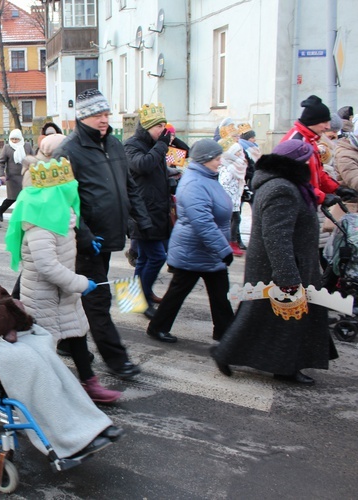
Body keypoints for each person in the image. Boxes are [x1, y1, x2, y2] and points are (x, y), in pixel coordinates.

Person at [0, 214, 121, 460]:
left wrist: (9, 312)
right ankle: (67, 439)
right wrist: (10, 312)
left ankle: (89, 426)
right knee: (31, 364)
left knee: (44, 348)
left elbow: (2, 299)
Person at [212, 140, 338, 385]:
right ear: (295, 163)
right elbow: (276, 236)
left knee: (268, 318)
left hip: (286, 263)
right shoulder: (282, 188)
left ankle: (284, 366)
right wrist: (288, 276)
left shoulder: (285, 184)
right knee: (273, 318)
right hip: (280, 266)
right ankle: (231, 354)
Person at [52, 89, 151, 379]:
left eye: (106, 114)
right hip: (86, 242)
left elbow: (129, 186)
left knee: (82, 295)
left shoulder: (116, 145)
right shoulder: (67, 152)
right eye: (97, 115)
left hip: (109, 237)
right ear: (82, 117)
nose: (104, 120)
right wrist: (83, 235)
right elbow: (62, 202)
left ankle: (69, 343)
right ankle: (117, 360)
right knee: (97, 299)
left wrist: (142, 222)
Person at [5, 158, 121, 404]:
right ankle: (35, 393)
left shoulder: (61, 218)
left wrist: (86, 244)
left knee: (77, 334)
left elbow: (66, 248)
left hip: (63, 294)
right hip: (43, 296)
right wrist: (80, 283)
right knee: (41, 347)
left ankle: (89, 383)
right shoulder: (40, 226)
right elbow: (48, 266)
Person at [145, 139, 235, 343]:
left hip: (207, 250)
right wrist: (223, 249)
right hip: (194, 250)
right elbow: (202, 222)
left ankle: (225, 332)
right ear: (205, 159)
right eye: (217, 158)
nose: (220, 162)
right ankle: (157, 327)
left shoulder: (207, 177)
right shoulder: (194, 182)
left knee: (219, 294)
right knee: (178, 292)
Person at [123, 104, 172, 315]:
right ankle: (140, 299)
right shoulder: (131, 145)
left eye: (164, 125)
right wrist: (161, 147)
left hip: (155, 209)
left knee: (144, 258)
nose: (163, 130)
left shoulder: (154, 145)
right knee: (157, 257)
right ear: (147, 127)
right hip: (141, 213)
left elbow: (153, 170)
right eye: (158, 126)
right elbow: (142, 165)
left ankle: (135, 298)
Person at [282, 95, 357, 206]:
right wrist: (321, 196)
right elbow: (293, 181)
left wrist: (337, 188)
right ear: (314, 121)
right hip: (294, 205)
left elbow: (318, 173)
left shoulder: (310, 141)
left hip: (306, 203)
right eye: (325, 122)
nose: (328, 127)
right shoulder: (296, 143)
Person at [218, 139, 248, 257]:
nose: (241, 153)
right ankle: (230, 243)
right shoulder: (228, 165)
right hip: (229, 198)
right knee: (234, 220)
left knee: (234, 220)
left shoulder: (238, 164)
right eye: (238, 151)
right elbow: (223, 182)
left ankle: (231, 243)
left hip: (235, 197)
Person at [0, 129, 33, 221]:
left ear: (20, 138)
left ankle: (25, 217)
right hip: (12, 178)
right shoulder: (7, 147)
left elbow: (33, 158)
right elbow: (1, 163)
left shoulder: (27, 146)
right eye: (12, 139)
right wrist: (1, 174)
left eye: (16, 139)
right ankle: (0, 212)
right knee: (12, 198)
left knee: (26, 197)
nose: (14, 141)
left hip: (26, 176)